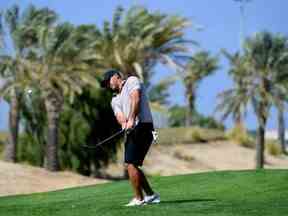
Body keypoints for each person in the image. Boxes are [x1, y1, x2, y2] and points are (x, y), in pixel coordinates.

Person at [101, 69, 160, 206]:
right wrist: (124, 123)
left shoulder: (132, 81)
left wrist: (132, 118)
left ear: (116, 76)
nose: (107, 86)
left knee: (131, 164)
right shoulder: (115, 99)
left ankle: (139, 199)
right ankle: (150, 195)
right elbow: (119, 115)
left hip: (144, 126)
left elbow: (136, 98)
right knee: (132, 164)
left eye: (108, 82)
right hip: (132, 130)